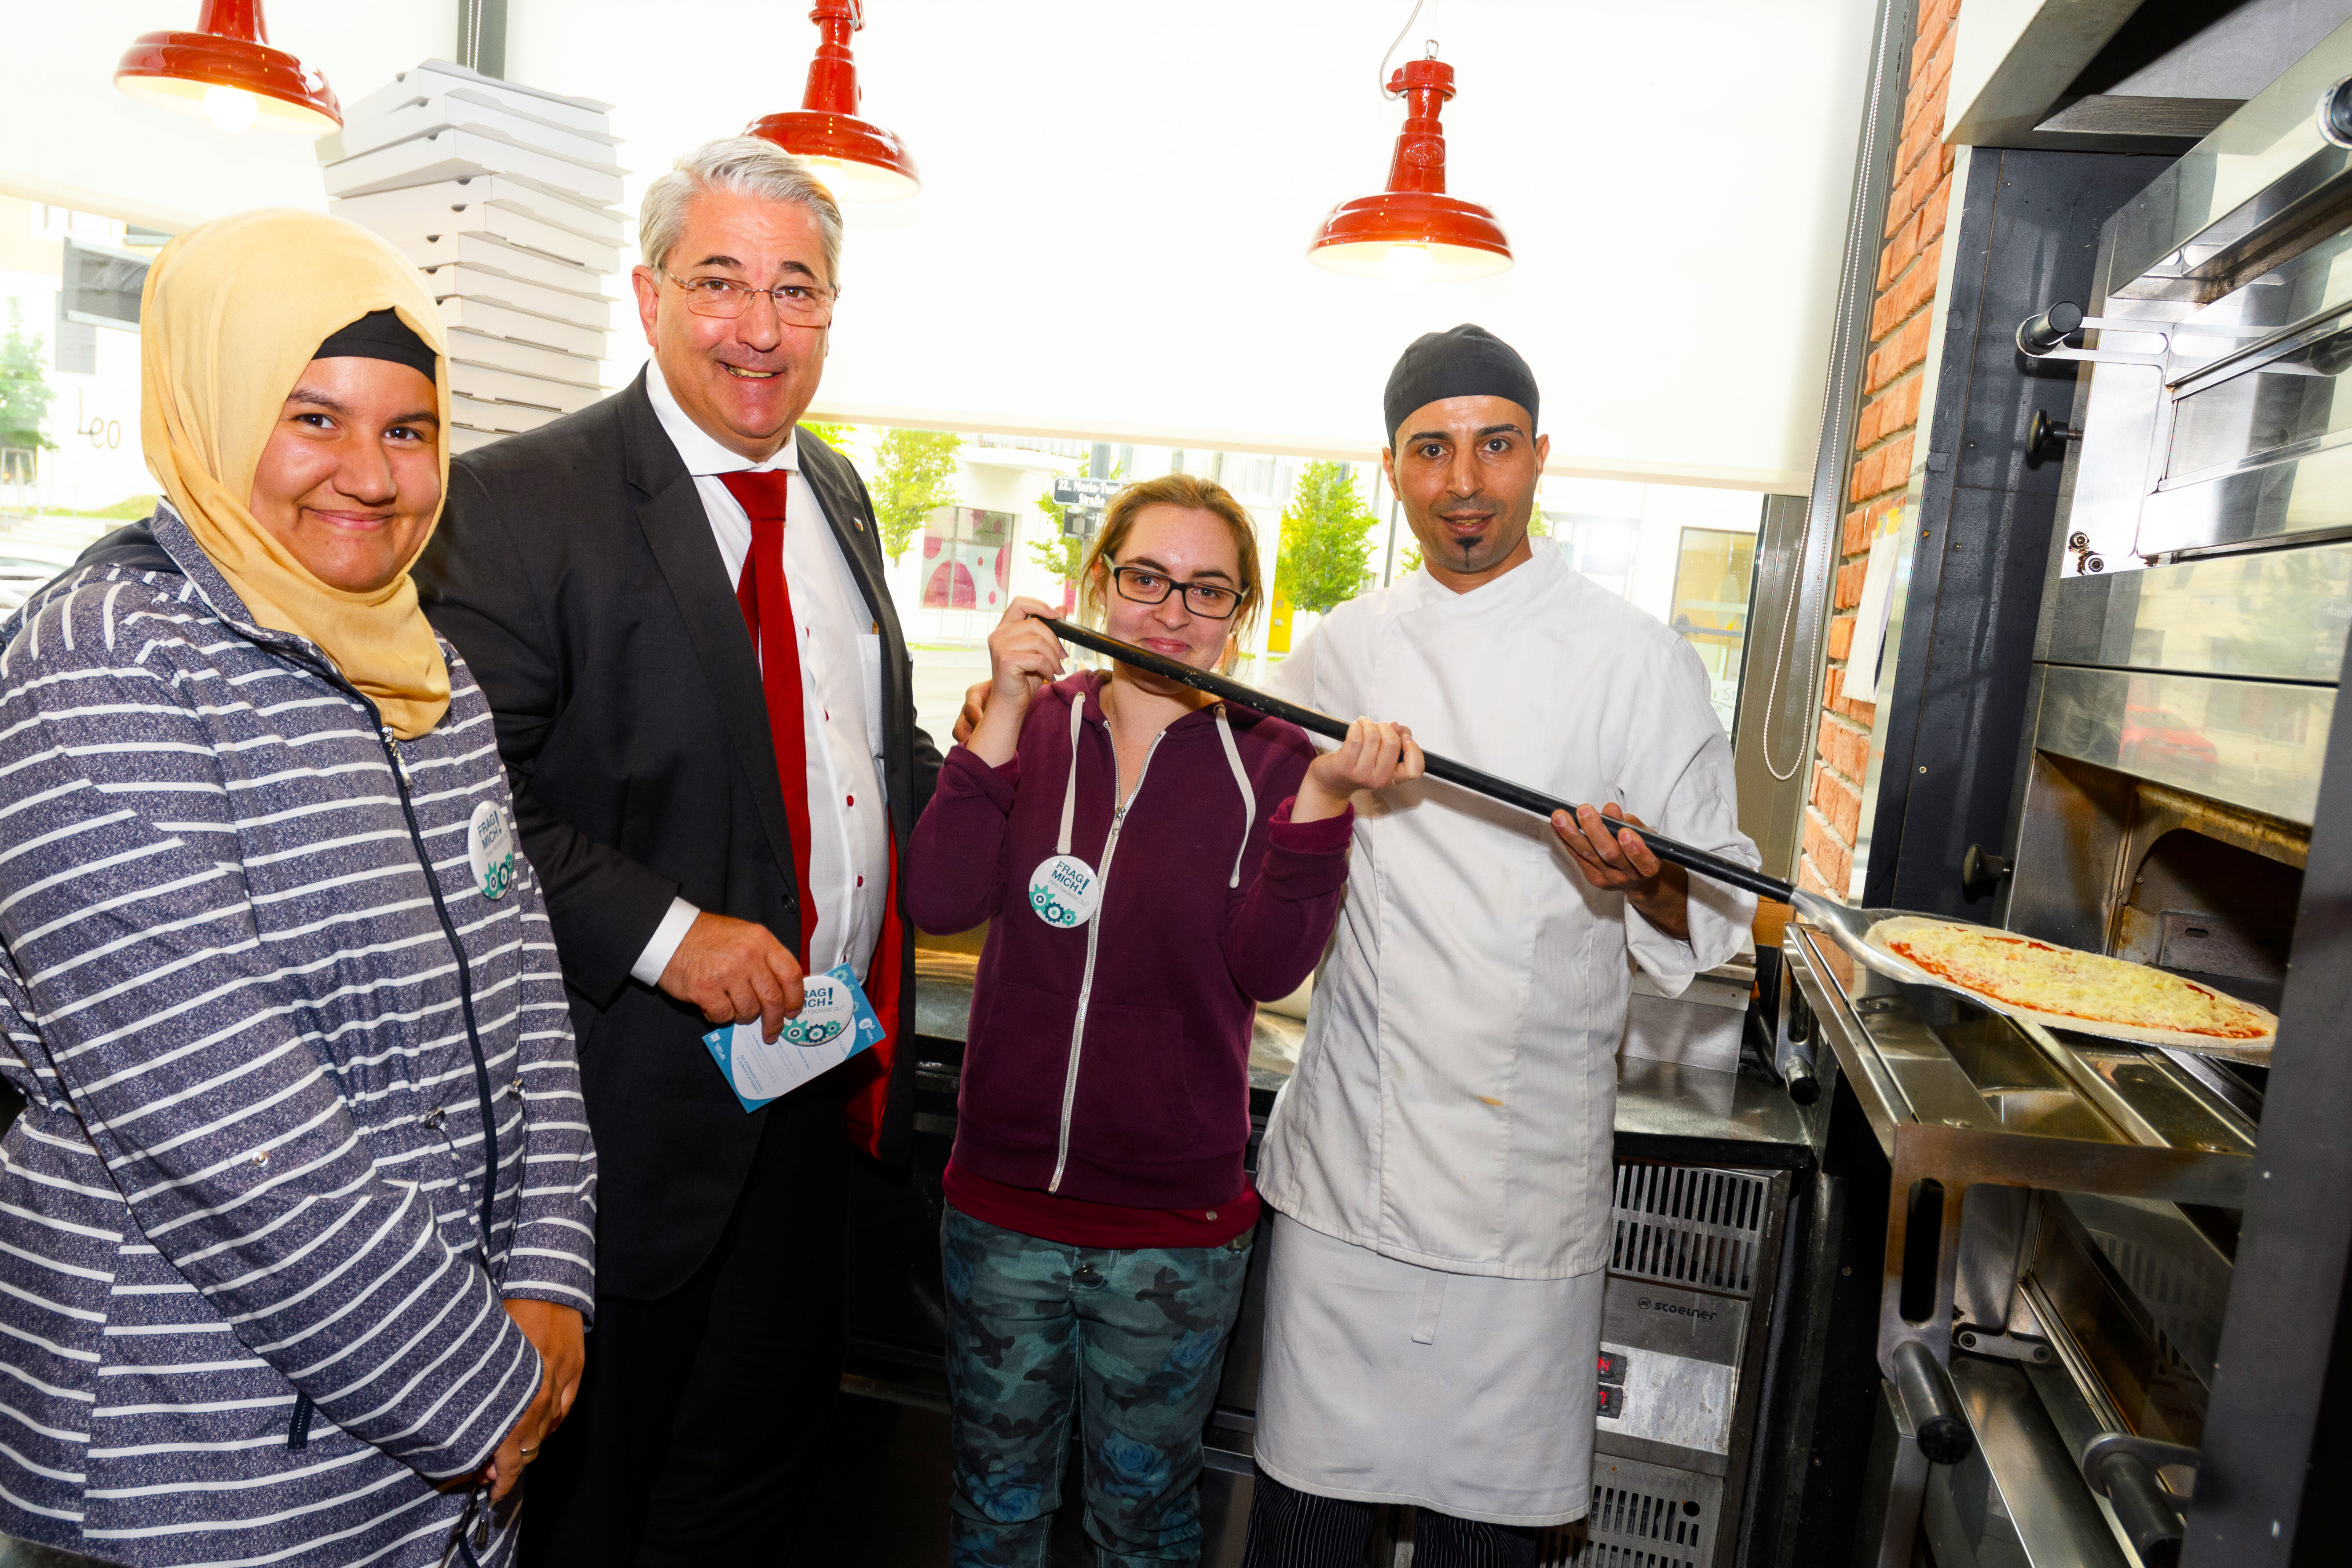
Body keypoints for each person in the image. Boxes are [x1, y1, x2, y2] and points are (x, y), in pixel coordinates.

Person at [0, 210, 595, 1566]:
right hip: (199, 1454)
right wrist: (477, 1381)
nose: (372, 476)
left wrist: (549, 1273)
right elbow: (213, 1110)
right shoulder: (103, 662)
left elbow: (523, 993)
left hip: (449, 1434)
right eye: (312, 417)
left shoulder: (425, 664)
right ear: (212, 409)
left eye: (408, 429)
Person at [412, 136, 940, 1564]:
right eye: (719, 282)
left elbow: (858, 755)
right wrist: (666, 933)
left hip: (809, 1098)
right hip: (618, 1131)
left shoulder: (837, 491)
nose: (758, 327)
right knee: (587, 1513)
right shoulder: (519, 501)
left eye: (795, 290)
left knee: (750, 1494)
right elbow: (458, 804)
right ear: (648, 295)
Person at [1240, 325, 1761, 1565]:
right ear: (1390, 468)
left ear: (1540, 455)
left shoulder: (1636, 659)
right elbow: (1259, 845)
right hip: (1351, 1173)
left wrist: (1643, 879)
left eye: (1495, 445)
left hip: (1520, 1192)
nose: (1464, 480)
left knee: (1486, 1541)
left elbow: (1715, 907)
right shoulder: (1338, 649)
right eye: (1431, 449)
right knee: (1305, 1524)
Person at [911, 474, 1418, 1567]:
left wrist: (1324, 803)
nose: (1171, 613)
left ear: (1241, 614)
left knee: (1142, 1527)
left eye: (1206, 590)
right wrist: (999, 715)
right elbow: (938, 899)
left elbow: (1268, 966)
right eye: (1146, 578)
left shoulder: (1277, 758)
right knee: (994, 1509)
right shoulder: (1029, 723)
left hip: (1172, 1236)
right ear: (1098, 580)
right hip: (1001, 1212)